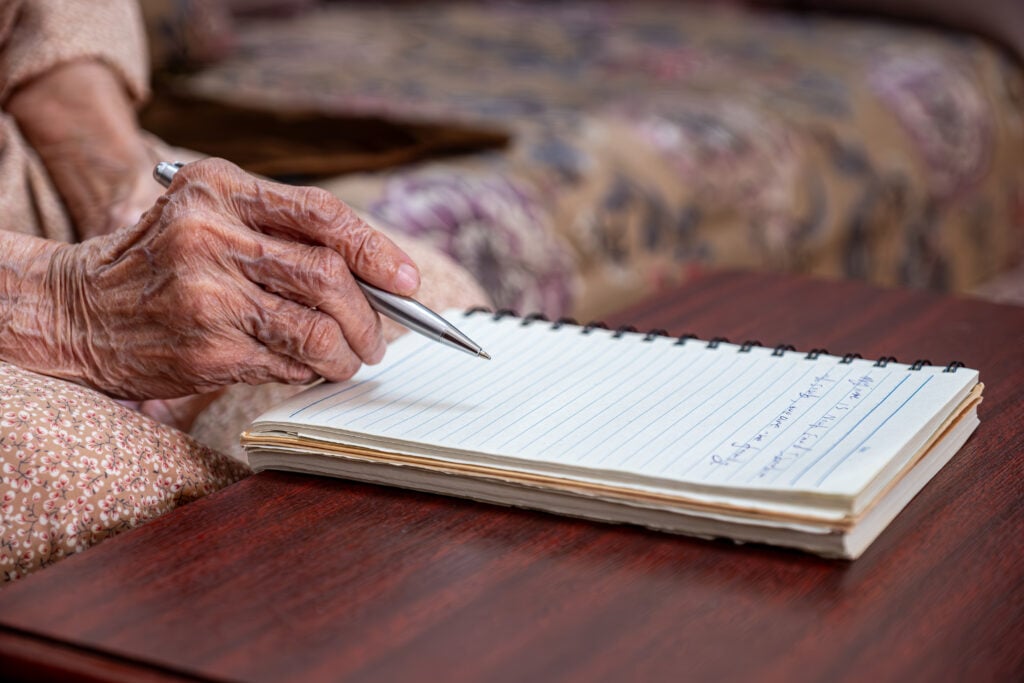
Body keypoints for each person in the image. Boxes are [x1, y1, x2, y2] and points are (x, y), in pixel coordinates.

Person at [0, 0, 488, 581]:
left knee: (434, 300)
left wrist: (112, 178)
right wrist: (65, 307)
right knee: (76, 480)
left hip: (27, 167)